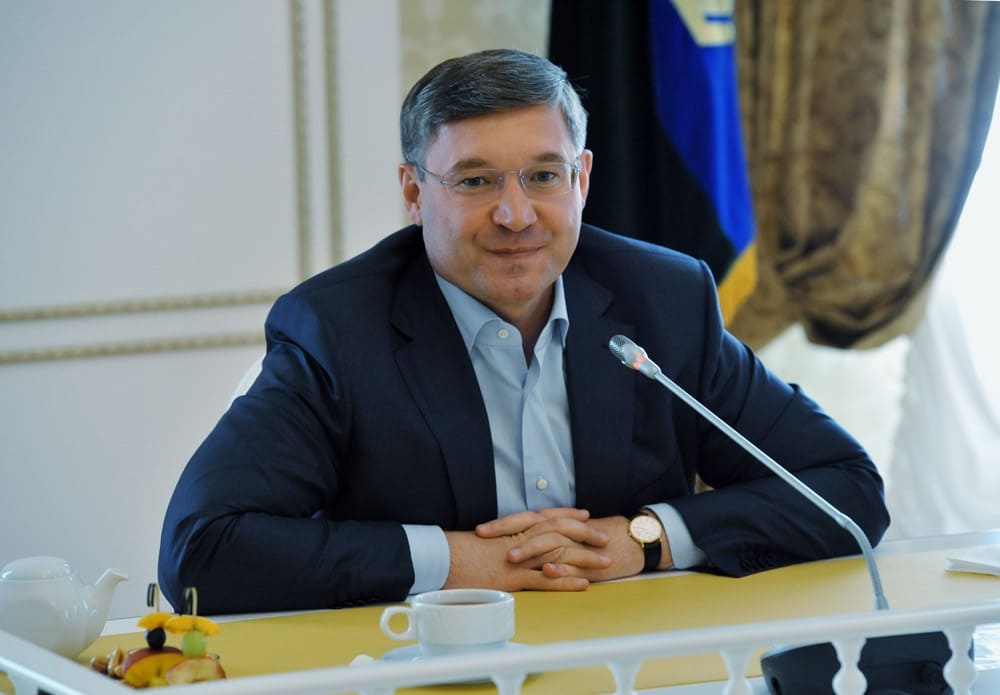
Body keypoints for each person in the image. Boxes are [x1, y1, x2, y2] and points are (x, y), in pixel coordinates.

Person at [158, 49, 889, 615]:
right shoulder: (338, 329)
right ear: (414, 192)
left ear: (583, 179)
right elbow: (202, 549)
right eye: (476, 181)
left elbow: (846, 488)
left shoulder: (664, 300)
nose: (516, 215)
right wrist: (465, 561)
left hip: (636, 658)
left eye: (544, 176)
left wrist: (643, 538)